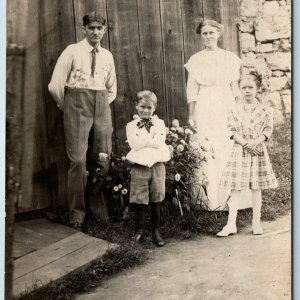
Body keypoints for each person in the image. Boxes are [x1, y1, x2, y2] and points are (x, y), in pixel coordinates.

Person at [48, 12, 117, 230]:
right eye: (92, 28)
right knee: (77, 160)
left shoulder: (107, 55)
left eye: (100, 28)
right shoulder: (72, 51)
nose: (96, 32)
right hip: (76, 103)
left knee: (103, 158)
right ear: (84, 29)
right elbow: (55, 85)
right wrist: (66, 105)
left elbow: (111, 88)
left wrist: (102, 103)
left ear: (104, 31)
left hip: (101, 103)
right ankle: (77, 212)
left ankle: (96, 206)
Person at [185, 19, 243, 210]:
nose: (208, 36)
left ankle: (232, 199)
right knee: (207, 145)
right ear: (200, 36)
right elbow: (192, 90)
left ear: (219, 34)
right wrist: (191, 115)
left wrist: (240, 110)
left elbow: (235, 87)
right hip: (205, 104)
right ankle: (208, 201)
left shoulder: (229, 58)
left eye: (211, 33)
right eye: (204, 33)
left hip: (225, 103)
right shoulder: (195, 60)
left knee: (226, 143)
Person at [217, 72, 278, 237]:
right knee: (235, 188)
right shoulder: (234, 109)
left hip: (257, 150)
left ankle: (256, 223)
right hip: (240, 150)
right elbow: (231, 130)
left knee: (256, 188)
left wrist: (255, 142)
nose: (247, 90)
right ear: (239, 89)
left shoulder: (265, 110)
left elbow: (267, 130)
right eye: (243, 87)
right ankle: (231, 224)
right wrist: (245, 144)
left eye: (251, 87)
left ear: (258, 89)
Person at [126, 90, 171, 247]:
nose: (145, 110)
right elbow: (134, 144)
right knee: (139, 199)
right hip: (139, 165)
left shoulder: (160, 123)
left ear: (155, 107)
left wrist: (144, 141)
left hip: (157, 165)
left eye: (149, 107)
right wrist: (149, 141)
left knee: (156, 198)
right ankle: (139, 231)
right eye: (142, 106)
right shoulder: (131, 126)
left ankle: (156, 230)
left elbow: (159, 142)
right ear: (136, 106)